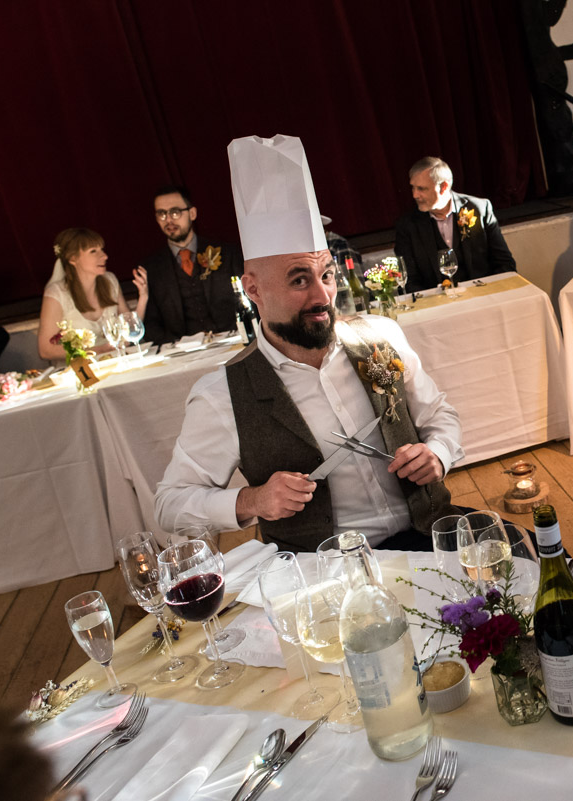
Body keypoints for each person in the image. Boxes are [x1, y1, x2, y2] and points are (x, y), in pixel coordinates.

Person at [157, 135, 463, 552]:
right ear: (254, 289)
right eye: (298, 280)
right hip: (325, 576)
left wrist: (438, 453)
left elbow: (439, 415)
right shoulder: (222, 395)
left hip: (433, 536)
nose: (322, 297)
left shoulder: (381, 335)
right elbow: (169, 506)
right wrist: (252, 500)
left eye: (326, 275)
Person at [139, 185, 244, 346]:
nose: (168, 220)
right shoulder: (152, 268)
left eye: (175, 212)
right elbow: (151, 323)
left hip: (235, 343)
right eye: (161, 214)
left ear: (192, 213)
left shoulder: (228, 254)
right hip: (182, 355)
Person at [394, 157, 515, 293]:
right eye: (413, 188)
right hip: (438, 306)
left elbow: (504, 263)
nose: (415, 195)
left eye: (421, 189)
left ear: (444, 186)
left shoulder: (479, 209)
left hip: (483, 296)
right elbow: (409, 280)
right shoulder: (407, 225)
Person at [37, 228, 147, 361]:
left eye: (102, 249)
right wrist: (99, 350)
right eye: (93, 251)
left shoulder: (110, 281)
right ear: (73, 259)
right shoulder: (57, 294)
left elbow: (130, 332)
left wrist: (143, 297)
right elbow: (46, 350)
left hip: (116, 360)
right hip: (83, 371)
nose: (104, 256)